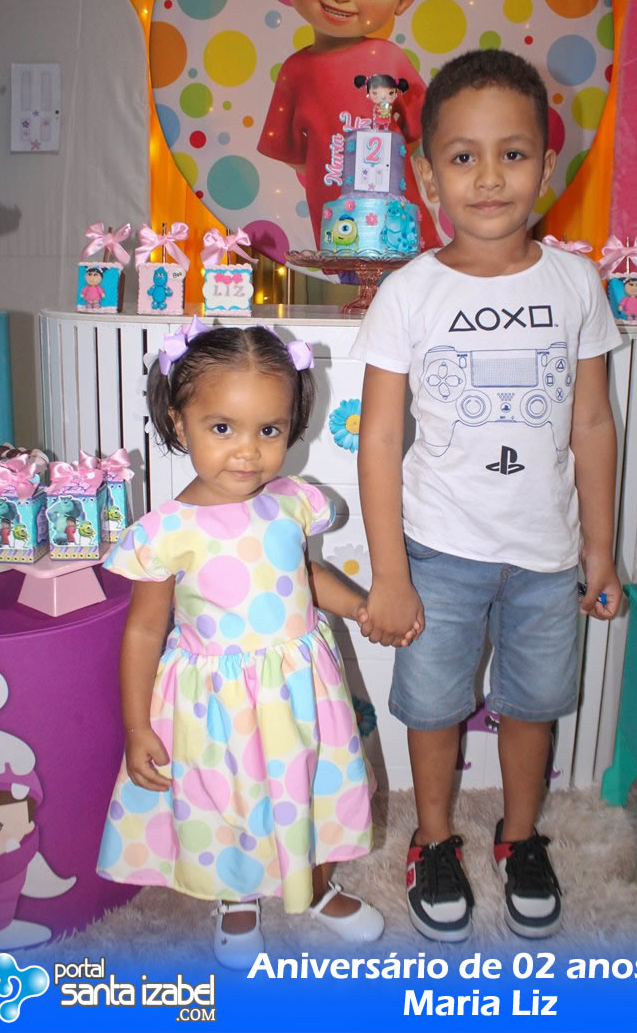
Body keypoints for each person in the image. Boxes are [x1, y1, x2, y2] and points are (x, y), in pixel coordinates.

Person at [351, 48, 623, 942]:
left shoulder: (575, 283)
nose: (490, 177)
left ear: (545, 165)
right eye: (463, 157)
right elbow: (379, 440)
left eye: (512, 153)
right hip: (438, 551)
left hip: (546, 556)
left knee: (532, 703)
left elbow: (591, 423)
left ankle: (520, 836)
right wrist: (389, 575)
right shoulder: (408, 293)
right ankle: (432, 840)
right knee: (432, 707)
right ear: (428, 176)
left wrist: (599, 551)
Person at [97, 321, 411, 969]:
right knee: (231, 802)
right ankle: (235, 895)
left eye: (268, 430)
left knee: (312, 789)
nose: (247, 451)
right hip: (219, 705)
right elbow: (144, 629)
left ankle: (315, 886)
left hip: (300, 690)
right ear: (178, 422)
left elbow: (305, 576)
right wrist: (135, 726)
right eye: (222, 428)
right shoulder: (167, 529)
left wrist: (359, 606)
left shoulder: (292, 502)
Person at [257, 0, 474, 250]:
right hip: (338, 223)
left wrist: (387, 167)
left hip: (399, 223)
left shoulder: (389, 59)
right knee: (351, 268)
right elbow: (291, 153)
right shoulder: (295, 72)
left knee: (413, 272)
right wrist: (331, 172)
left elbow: (422, 129)